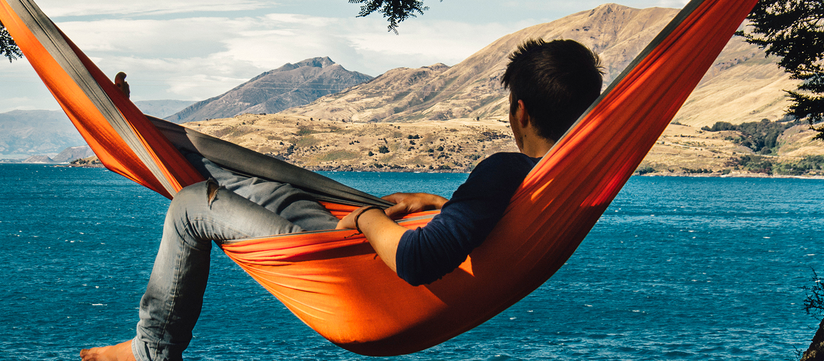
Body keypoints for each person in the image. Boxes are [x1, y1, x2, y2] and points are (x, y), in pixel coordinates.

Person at [81, 38, 603, 361]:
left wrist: (370, 217)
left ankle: (153, 349)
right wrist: (442, 206)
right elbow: (495, 229)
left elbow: (419, 260)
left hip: (365, 290)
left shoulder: (506, 169)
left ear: (519, 113)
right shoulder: (568, 182)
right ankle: (136, 131)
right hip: (357, 264)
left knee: (192, 205)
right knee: (262, 186)